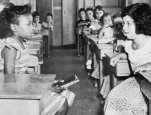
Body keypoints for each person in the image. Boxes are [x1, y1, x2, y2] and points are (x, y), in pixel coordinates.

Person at [0, 4, 74, 115]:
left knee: (67, 94)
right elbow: (10, 81)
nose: (33, 28)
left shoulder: (22, 43)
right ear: (14, 27)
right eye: (29, 25)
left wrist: (47, 83)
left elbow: (24, 71)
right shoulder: (10, 47)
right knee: (62, 102)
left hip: (22, 86)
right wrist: (44, 89)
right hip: (13, 95)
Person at [104, 3, 151, 115]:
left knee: (131, 104)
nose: (123, 27)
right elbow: (132, 55)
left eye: (128, 24)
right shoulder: (129, 43)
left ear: (141, 23)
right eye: (123, 23)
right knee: (113, 96)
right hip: (137, 81)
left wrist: (149, 65)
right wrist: (120, 55)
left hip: (149, 85)